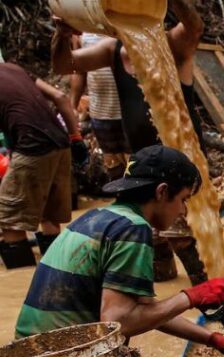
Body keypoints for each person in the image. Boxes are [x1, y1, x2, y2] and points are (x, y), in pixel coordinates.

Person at [15, 145, 224, 357]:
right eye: (183, 199)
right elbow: (119, 322)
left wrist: (211, 338)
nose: (183, 211)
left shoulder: (95, 218)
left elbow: (146, 310)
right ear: (161, 192)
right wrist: (191, 297)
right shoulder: (133, 230)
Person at [51, 0, 209, 285]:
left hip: (179, 158)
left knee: (183, 230)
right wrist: (61, 36)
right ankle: (165, 281)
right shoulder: (112, 51)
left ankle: (205, 287)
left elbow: (195, 27)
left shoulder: (172, 45)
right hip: (143, 161)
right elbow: (65, 65)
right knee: (152, 229)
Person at [0, 62, 87, 269]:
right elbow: (61, 98)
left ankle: (24, 283)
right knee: (49, 216)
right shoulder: (14, 69)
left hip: (31, 146)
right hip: (60, 143)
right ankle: (56, 275)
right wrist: (76, 138)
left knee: (9, 220)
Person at [70, 32, 131, 180]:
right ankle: (120, 198)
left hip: (131, 113)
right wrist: (73, 105)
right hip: (100, 113)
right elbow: (79, 71)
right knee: (113, 166)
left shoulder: (125, 23)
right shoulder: (81, 31)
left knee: (136, 165)